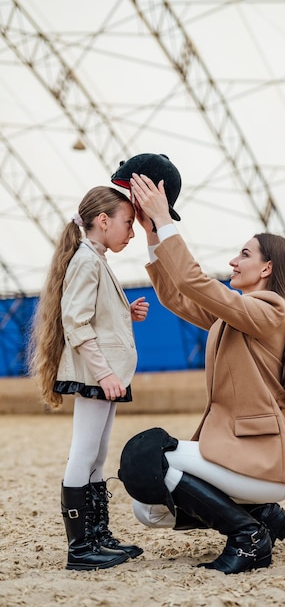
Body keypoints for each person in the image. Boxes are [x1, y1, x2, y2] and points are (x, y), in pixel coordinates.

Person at [118, 171, 285, 575]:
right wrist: (152, 233)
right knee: (147, 510)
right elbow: (177, 294)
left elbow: (193, 279)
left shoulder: (271, 311)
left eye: (244, 255)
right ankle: (262, 516)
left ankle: (248, 537)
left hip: (263, 462)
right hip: (246, 463)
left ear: (268, 268)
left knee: (149, 458)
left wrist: (164, 218)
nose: (233, 262)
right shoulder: (234, 317)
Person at [28, 185, 149, 571]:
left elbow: (91, 314)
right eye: (128, 224)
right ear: (102, 221)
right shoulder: (86, 260)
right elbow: (75, 322)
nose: (131, 232)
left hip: (105, 375)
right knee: (83, 453)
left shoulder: (95, 258)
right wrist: (105, 373)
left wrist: (123, 311)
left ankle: (98, 536)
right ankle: (80, 548)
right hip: (98, 376)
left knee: (97, 454)